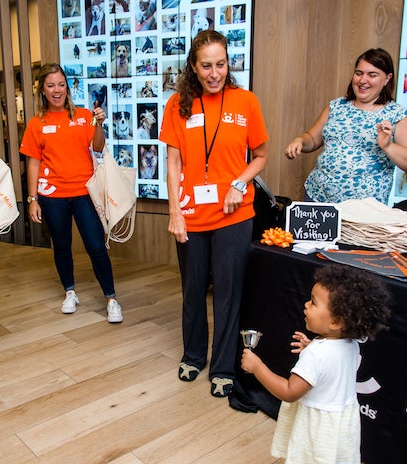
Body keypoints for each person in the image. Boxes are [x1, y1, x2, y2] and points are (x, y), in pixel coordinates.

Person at [159, 30, 269, 397]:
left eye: (220, 64)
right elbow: (173, 163)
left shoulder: (246, 102)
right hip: (190, 213)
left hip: (234, 215)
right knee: (192, 290)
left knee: (227, 293)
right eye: (206, 65)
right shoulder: (177, 104)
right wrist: (174, 211)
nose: (214, 73)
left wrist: (239, 184)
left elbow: (261, 156)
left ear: (228, 63)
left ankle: (223, 366)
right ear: (193, 66)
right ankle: (193, 355)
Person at [241, 264, 392, 463]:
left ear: (336, 322)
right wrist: (312, 345)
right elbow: (333, 365)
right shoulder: (351, 345)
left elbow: (289, 391)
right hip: (341, 426)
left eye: (313, 303)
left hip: (317, 429)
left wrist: (257, 366)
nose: (305, 304)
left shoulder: (317, 355)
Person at [20, 63, 124, 324]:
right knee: (62, 246)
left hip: (84, 193)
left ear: (67, 86)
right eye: (51, 85)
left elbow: (98, 148)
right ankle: (70, 292)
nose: (57, 90)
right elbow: (33, 162)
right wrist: (32, 199)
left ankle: (111, 298)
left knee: (96, 246)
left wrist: (98, 124)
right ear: (42, 90)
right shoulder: (36, 124)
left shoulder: (84, 115)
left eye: (61, 84)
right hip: (52, 195)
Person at [285, 48, 407, 204]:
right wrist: (299, 141)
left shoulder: (397, 115)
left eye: (372, 75)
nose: (362, 80)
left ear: (387, 78)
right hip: (318, 198)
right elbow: (312, 138)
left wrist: (388, 146)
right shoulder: (337, 106)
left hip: (363, 209)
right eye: (359, 73)